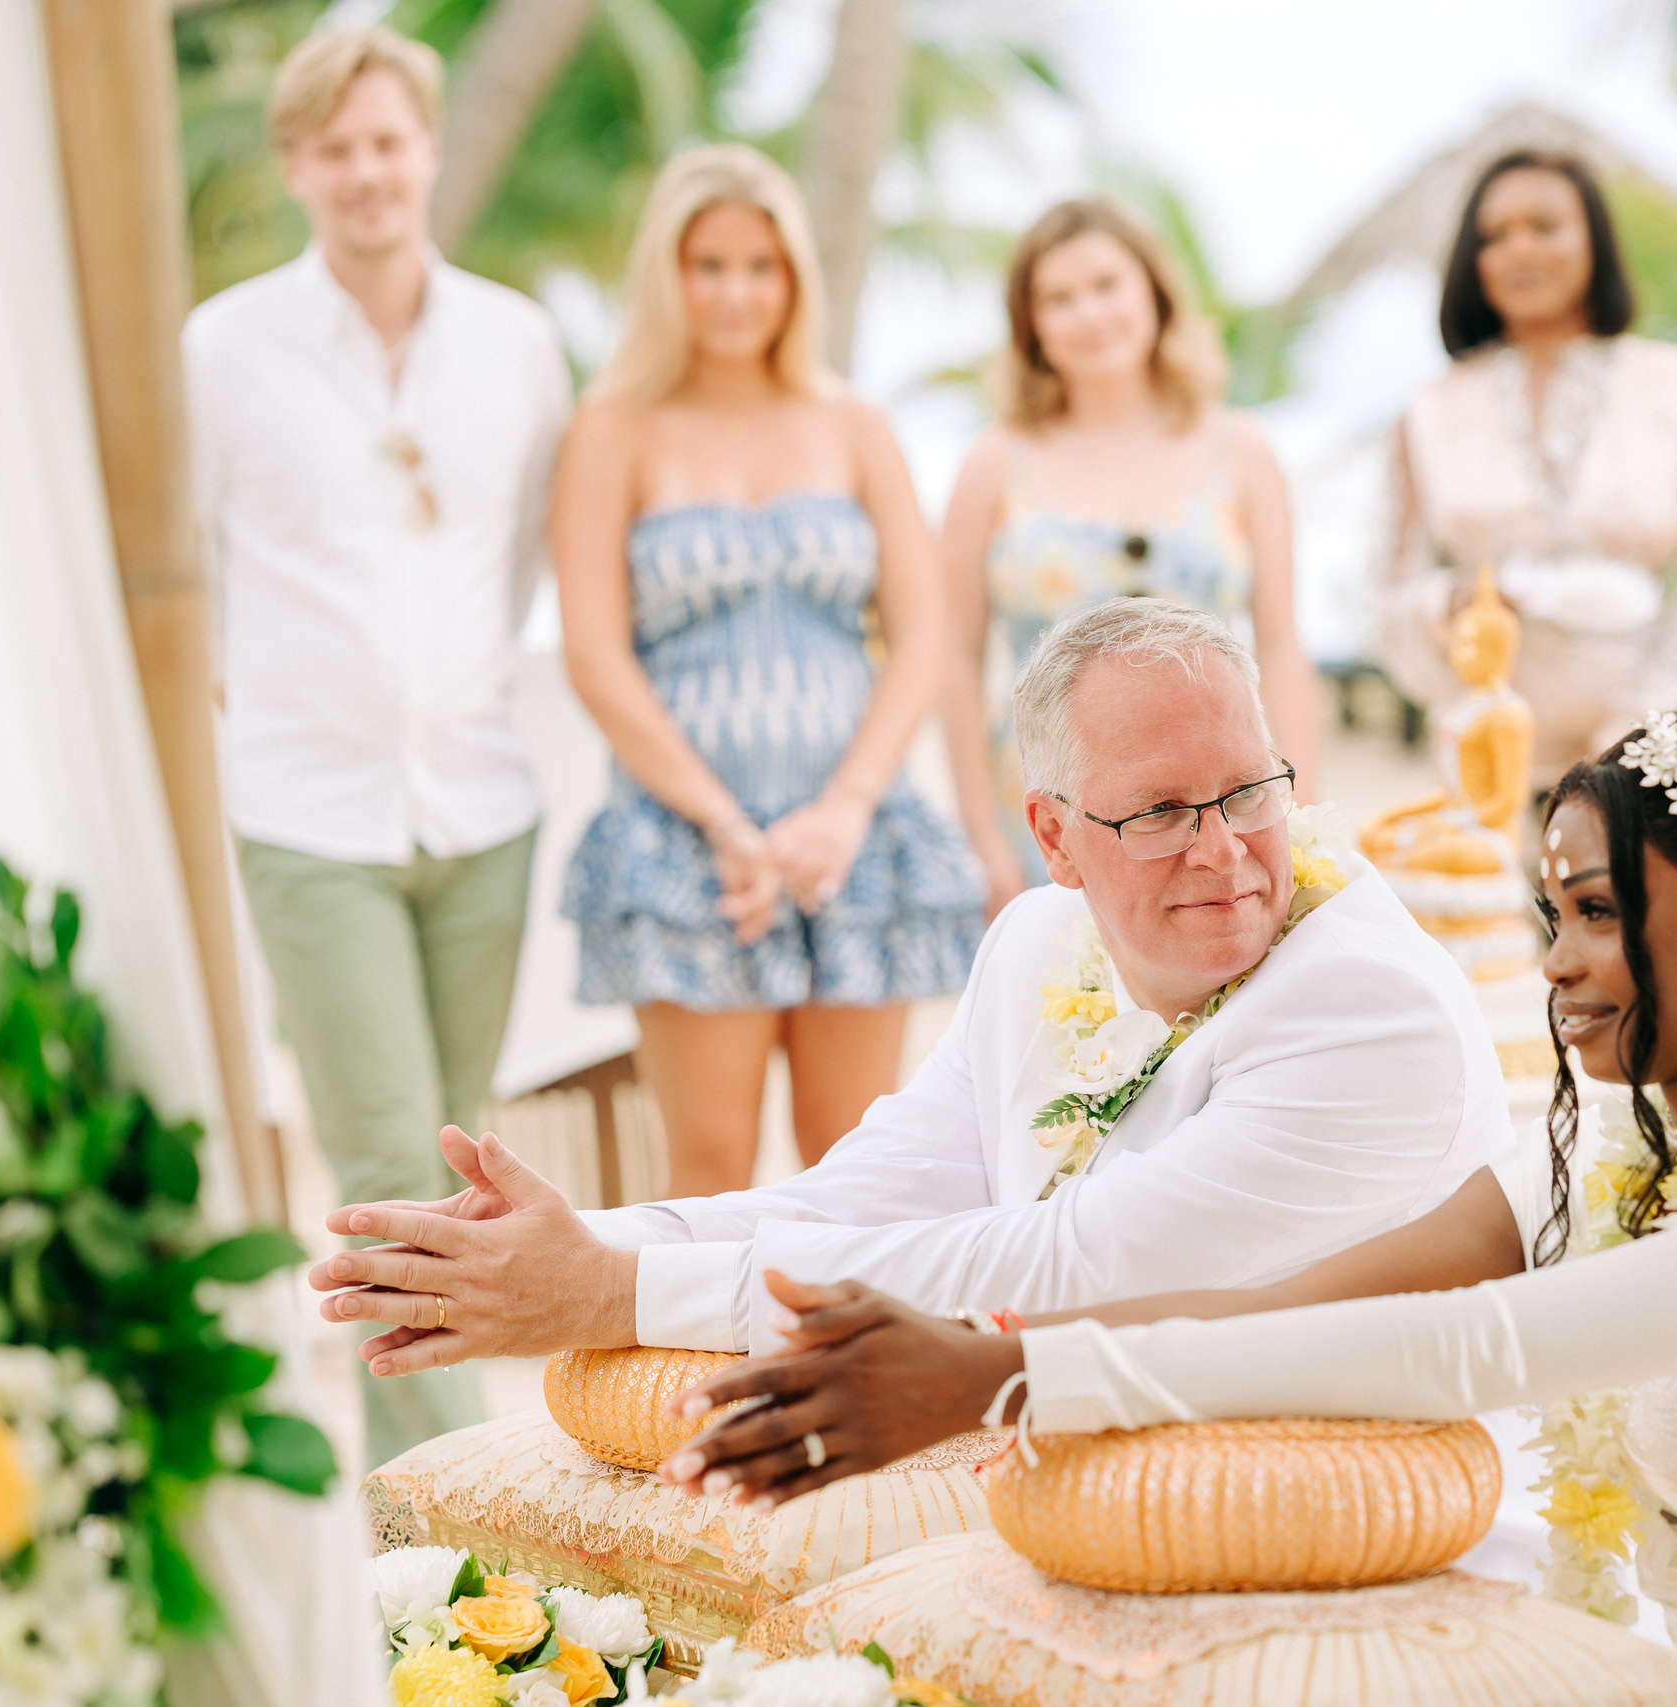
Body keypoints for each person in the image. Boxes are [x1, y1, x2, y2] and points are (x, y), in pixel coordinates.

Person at [670, 706, 1677, 1707]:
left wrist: (1001, 1383)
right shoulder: (1599, 1151)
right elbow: (1304, 1300)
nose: (1557, 964)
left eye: (1599, 912)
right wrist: (981, 1342)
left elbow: (1476, 1348)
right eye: (1551, 917)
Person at [307, 600, 1511, 1376]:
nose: (1222, 849)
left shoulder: (1370, 1010)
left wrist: (612, 1291)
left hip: (1369, 1521)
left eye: (1249, 792)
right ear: (1053, 837)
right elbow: (858, 1199)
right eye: (1158, 812)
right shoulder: (1040, 942)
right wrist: (560, 1249)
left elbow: (1074, 1271)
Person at [182, 26, 569, 1469]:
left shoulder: (516, 344)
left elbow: (518, 558)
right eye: (335, 148)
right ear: (295, 166)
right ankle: (440, 1509)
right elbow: (188, 569)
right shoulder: (226, 348)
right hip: (309, 817)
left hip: (482, 805)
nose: (366, 172)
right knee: (389, 1163)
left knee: (454, 1161)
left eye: (388, 141)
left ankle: (419, 1508)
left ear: (430, 150)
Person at [552, 144, 984, 1199]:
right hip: (687, 849)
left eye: (761, 266)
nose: (736, 292)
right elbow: (595, 656)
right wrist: (724, 825)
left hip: (854, 839)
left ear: (796, 277)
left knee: (853, 1162)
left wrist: (844, 809)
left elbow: (921, 634)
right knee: (711, 1168)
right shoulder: (613, 432)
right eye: (709, 265)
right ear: (667, 276)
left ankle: (834, 1327)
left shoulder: (854, 426)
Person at [939, 197, 1320, 914]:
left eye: (1106, 285)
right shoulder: (993, 464)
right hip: (1047, 815)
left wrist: (1299, 814)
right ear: (1030, 324)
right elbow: (955, 662)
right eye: (1059, 298)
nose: (1089, 313)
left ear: (1153, 292)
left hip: (1213, 807)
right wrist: (978, 835)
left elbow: (1281, 645)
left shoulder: (1240, 451)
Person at [1379, 152, 1677, 787]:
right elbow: (1391, 585)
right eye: (1494, 236)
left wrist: (1655, 712)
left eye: (1544, 227)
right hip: (1486, 757)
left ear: (1594, 239)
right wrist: (1450, 603)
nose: (1519, 249)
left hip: (1655, 753)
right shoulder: (1430, 409)